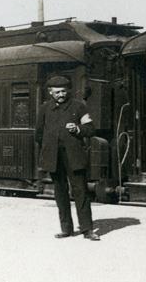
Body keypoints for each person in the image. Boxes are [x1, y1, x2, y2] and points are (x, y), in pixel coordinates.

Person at [35, 75, 99, 241]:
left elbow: (90, 129)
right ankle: (66, 229)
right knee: (60, 193)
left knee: (81, 192)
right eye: (57, 92)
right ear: (50, 92)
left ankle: (87, 230)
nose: (61, 94)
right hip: (53, 157)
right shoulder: (44, 109)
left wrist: (78, 129)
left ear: (68, 91)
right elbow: (39, 134)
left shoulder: (79, 107)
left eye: (64, 91)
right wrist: (47, 150)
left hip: (74, 156)